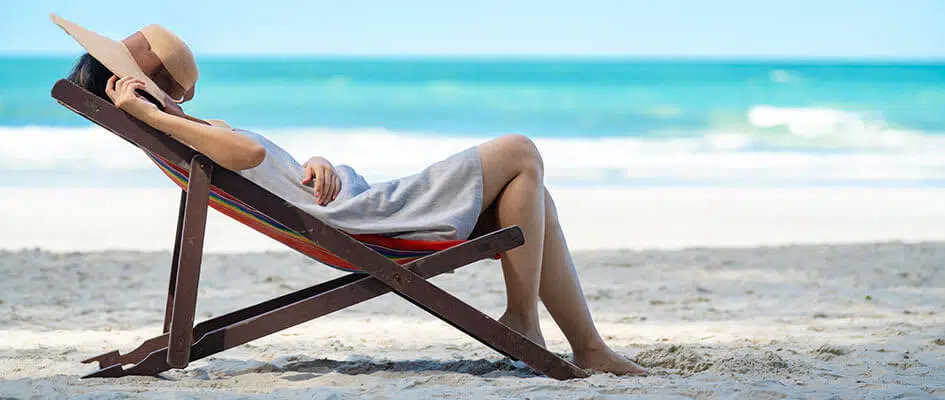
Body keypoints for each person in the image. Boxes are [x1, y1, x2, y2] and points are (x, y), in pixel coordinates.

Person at [53, 14, 647, 376]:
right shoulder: (178, 131)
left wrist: (315, 163)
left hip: (352, 205)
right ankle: (524, 320)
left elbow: (267, 166)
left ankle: (586, 346)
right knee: (520, 150)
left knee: (535, 194)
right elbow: (250, 156)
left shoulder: (186, 131)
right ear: (134, 90)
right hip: (361, 221)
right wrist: (153, 115)